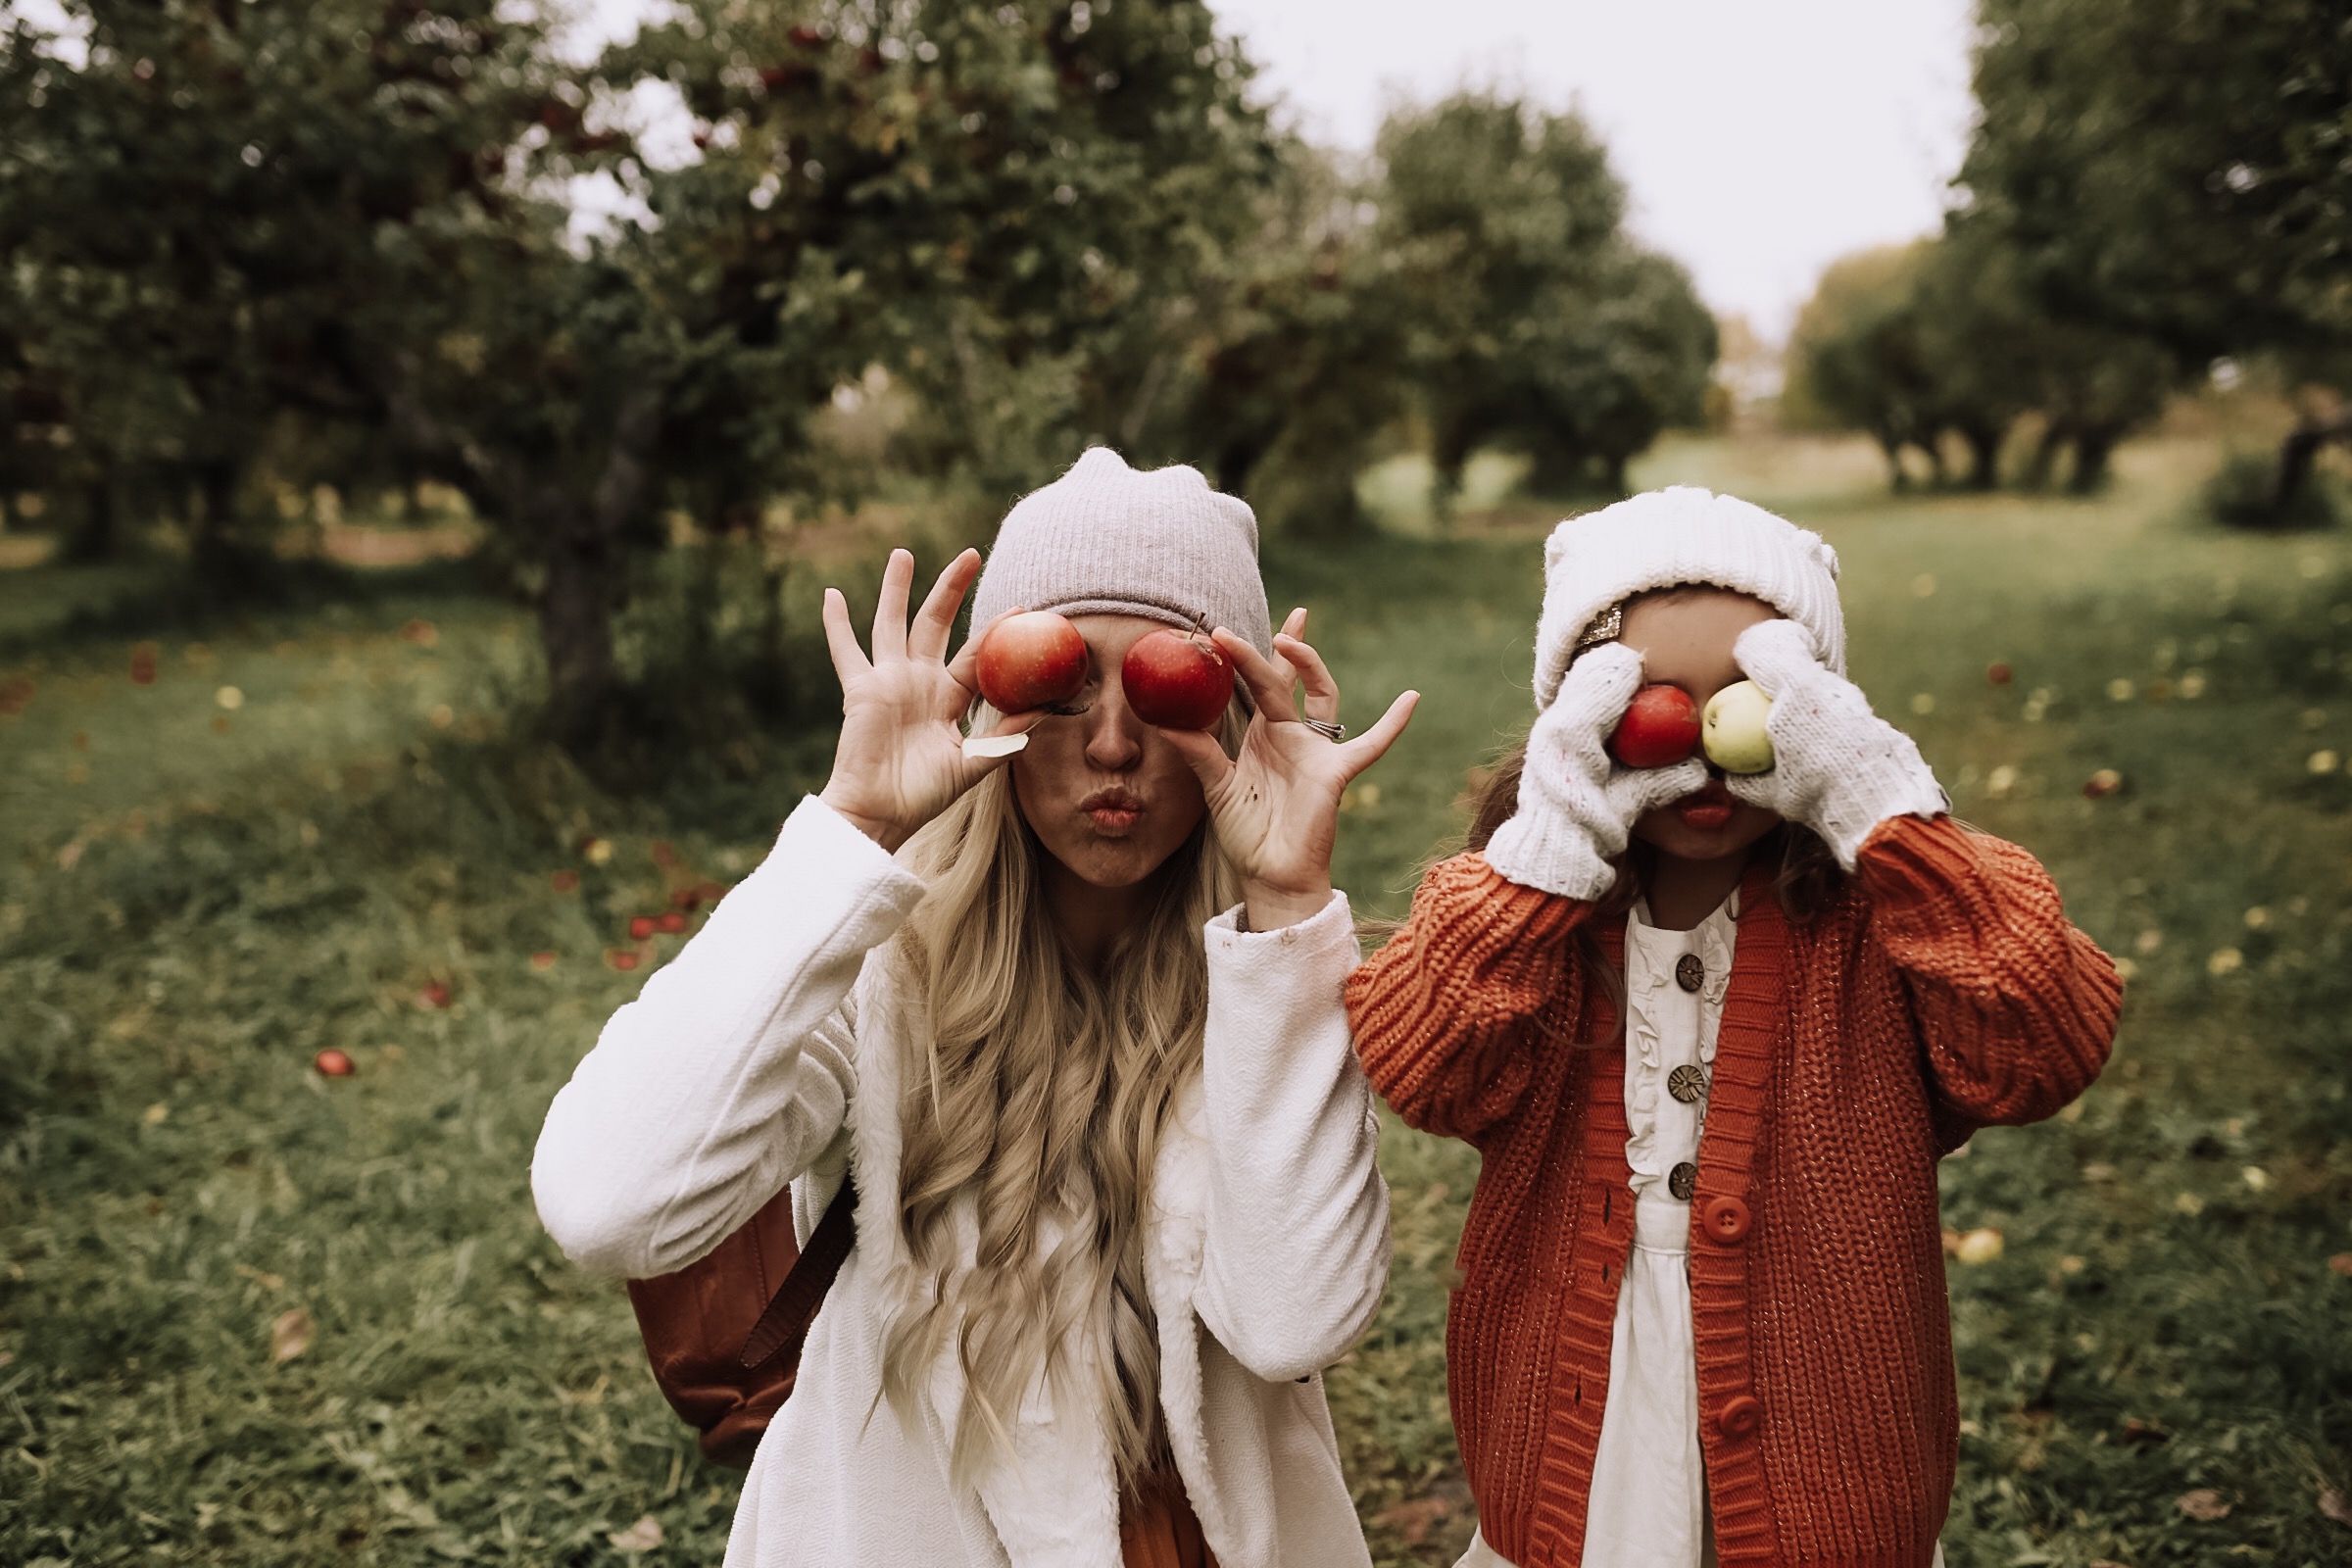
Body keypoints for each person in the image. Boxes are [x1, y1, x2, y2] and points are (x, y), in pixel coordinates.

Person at [532, 448, 1418, 1568]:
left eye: (1162, 687)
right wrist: (852, 829)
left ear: (1236, 719)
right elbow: (605, 1201)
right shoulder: (879, 971)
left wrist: (1287, 904)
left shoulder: (1263, 985)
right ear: (994, 699)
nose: (1110, 744)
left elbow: (1299, 1322)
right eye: (1058, 685)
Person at [1344, 487, 2122, 1568]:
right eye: (1646, 702)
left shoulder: (1874, 919)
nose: (1703, 745)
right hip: (1580, 1424)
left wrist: (1888, 815)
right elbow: (1419, 1065)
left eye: (1749, 698)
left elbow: (2043, 1042)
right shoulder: (1538, 922)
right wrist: (1542, 856)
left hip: (1831, 1435)